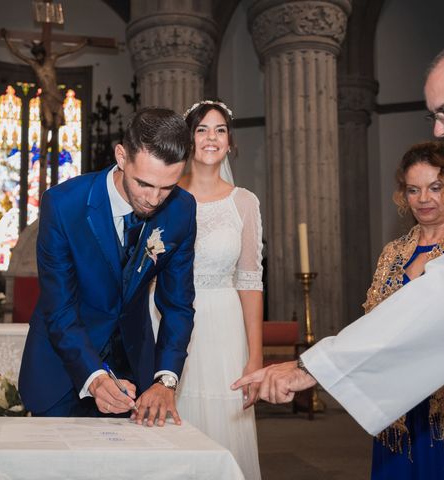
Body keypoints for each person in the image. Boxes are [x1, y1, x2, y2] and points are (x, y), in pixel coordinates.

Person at [231, 32, 444, 436]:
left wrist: (313, 366)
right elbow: (414, 306)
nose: (439, 128)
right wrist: (317, 365)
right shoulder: (396, 250)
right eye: (432, 115)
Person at [18, 108, 197, 427]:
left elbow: (178, 305)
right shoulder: (63, 205)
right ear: (121, 157)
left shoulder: (181, 210)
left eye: (167, 187)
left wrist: (165, 381)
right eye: (144, 183)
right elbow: (59, 309)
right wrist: (95, 377)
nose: (154, 199)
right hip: (62, 372)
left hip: (134, 371)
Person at [363, 142, 444, 478]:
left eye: (435, 187)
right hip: (397, 406)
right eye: (414, 190)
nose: (424, 198)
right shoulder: (393, 251)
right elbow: (373, 318)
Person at [174, 100, 263, 480]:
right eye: (202, 129)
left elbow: (250, 281)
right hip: (171, 318)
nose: (212, 137)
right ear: (189, 139)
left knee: (222, 420)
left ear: (230, 142)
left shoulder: (243, 202)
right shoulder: (165, 196)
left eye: (220, 130)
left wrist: (256, 358)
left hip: (224, 327)